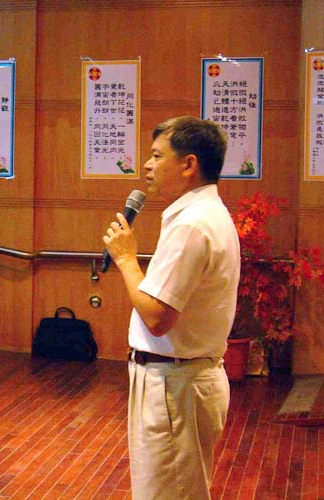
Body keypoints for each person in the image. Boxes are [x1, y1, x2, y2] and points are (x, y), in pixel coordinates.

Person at [102, 116, 240, 499]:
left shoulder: (192, 224)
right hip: (177, 380)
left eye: (157, 155)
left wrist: (126, 258)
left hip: (175, 385)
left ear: (189, 164)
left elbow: (157, 316)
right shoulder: (203, 214)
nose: (147, 165)